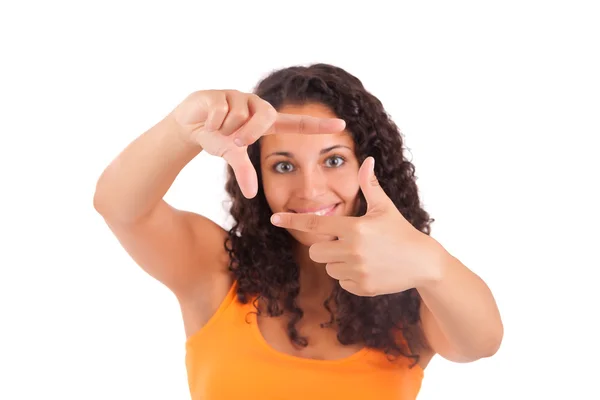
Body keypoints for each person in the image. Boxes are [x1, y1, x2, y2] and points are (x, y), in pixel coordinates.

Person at [93, 63, 503, 399]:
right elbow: (120, 207)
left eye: (334, 160)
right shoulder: (216, 271)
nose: (310, 189)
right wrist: (182, 128)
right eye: (284, 166)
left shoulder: (412, 295)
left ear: (372, 165)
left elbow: (481, 343)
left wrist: (430, 262)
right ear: (257, 176)